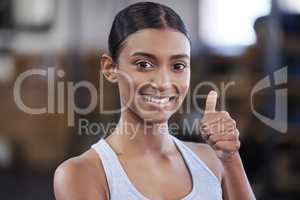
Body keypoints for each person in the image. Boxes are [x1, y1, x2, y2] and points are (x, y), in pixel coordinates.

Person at [53, 2, 255, 200]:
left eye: (177, 66)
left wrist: (230, 158)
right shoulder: (82, 174)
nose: (163, 83)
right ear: (110, 68)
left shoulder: (211, 161)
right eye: (144, 64)